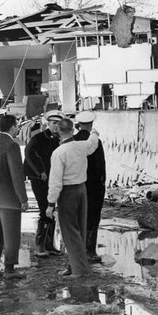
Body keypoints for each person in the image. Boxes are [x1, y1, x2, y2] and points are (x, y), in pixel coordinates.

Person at [46, 118, 99, 278]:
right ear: (73, 129)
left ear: (59, 132)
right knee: (80, 230)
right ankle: (74, 265)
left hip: (67, 192)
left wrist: (50, 203)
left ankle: (79, 270)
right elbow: (93, 143)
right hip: (81, 190)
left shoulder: (59, 153)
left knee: (70, 232)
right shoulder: (81, 146)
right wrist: (94, 131)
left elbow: (55, 181)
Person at [0, 114, 28, 279]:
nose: (18, 130)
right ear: (12, 127)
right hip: (9, 198)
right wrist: (23, 199)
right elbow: (17, 176)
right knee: (11, 234)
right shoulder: (12, 146)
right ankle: (9, 269)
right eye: (17, 127)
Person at [24, 110, 63, 258]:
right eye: (53, 123)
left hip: (54, 180)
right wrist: (40, 171)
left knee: (52, 210)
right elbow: (29, 154)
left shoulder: (59, 139)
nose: (56, 126)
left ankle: (49, 245)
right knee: (45, 209)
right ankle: (39, 246)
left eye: (58, 124)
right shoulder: (38, 138)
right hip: (39, 180)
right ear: (48, 123)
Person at [74, 110, 106, 262]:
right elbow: (100, 165)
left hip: (75, 184)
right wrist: (101, 182)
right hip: (93, 186)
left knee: (78, 216)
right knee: (93, 217)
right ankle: (90, 252)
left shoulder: (72, 141)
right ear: (91, 124)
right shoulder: (95, 141)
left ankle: (78, 250)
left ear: (78, 125)